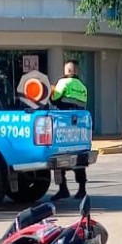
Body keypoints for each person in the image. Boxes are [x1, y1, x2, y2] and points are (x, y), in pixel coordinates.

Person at [50, 59, 89, 201]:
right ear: (76, 71)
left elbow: (54, 99)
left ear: (67, 71)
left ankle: (63, 189)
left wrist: (52, 90)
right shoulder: (83, 87)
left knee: (58, 158)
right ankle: (82, 190)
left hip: (64, 125)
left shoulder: (63, 83)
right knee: (79, 159)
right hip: (79, 126)